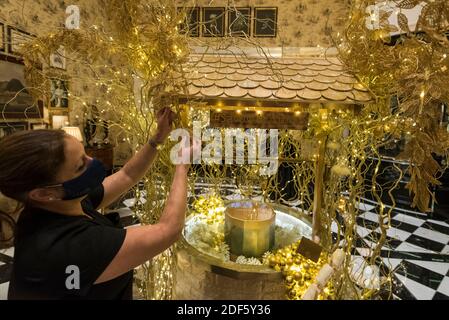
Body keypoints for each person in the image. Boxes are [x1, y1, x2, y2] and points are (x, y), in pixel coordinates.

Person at [0, 107, 191, 300]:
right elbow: (169, 230)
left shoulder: (59, 203)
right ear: (43, 193)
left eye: (85, 153)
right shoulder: (70, 247)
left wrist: (157, 138)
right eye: (80, 165)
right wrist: (182, 167)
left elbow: (127, 175)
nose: (93, 161)